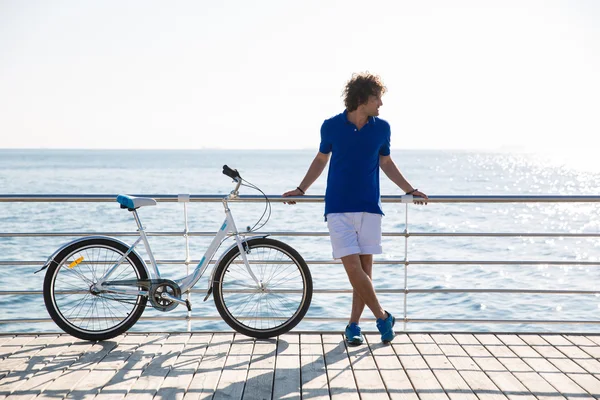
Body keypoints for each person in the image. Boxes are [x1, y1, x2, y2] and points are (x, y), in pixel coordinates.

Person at [282, 72, 428, 345]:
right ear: (362, 98)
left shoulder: (382, 128)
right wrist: (301, 189)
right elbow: (320, 159)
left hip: (370, 208)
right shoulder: (331, 126)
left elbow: (386, 163)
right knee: (353, 268)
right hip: (337, 207)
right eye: (377, 99)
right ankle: (383, 317)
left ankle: (353, 325)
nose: (381, 105)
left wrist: (408, 189)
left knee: (365, 273)